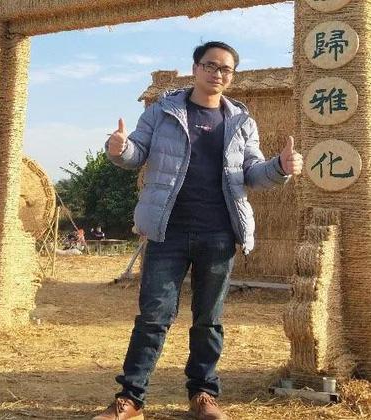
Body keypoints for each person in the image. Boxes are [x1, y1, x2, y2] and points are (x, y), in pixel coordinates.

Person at [93, 41, 303, 420]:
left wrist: (280, 167)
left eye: (225, 69)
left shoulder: (241, 121)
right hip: (167, 232)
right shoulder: (163, 110)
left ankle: (203, 396)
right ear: (195, 68)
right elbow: (136, 153)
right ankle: (131, 400)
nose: (217, 73)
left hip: (218, 234)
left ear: (231, 76)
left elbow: (252, 173)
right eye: (210, 65)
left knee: (209, 319)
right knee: (153, 317)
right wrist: (119, 148)